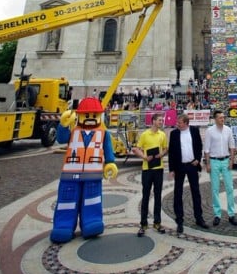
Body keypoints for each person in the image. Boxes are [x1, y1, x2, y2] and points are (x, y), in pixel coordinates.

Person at [50, 97, 118, 243]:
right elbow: (61, 139)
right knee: (67, 200)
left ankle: (91, 221)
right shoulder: (73, 131)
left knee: (92, 200)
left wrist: (110, 163)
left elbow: (108, 149)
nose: (90, 119)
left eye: (94, 115)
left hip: (92, 174)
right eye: (86, 115)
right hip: (70, 174)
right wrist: (62, 125)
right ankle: (63, 225)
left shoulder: (103, 133)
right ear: (79, 115)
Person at [168, 113, 209, 234]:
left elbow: (199, 146)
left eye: (179, 123)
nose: (177, 124)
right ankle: (179, 220)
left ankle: (199, 218)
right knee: (178, 193)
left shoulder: (194, 131)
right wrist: (171, 169)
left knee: (196, 192)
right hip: (179, 166)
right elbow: (171, 153)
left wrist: (198, 158)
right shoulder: (174, 133)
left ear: (186, 123)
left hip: (192, 165)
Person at [132, 113, 168, 237]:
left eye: (162, 120)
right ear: (153, 121)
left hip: (159, 168)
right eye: (159, 120)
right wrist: (144, 157)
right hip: (147, 169)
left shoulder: (162, 134)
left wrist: (161, 155)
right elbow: (136, 149)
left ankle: (157, 222)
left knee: (158, 196)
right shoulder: (145, 134)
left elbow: (165, 148)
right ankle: (143, 224)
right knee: (146, 195)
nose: (161, 122)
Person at [204, 110, 237, 227]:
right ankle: (217, 214)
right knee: (215, 189)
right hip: (214, 161)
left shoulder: (228, 130)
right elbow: (207, 149)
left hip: (226, 160)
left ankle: (231, 213)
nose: (222, 119)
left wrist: (232, 161)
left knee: (230, 187)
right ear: (215, 119)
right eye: (220, 118)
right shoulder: (209, 131)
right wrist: (207, 164)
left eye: (223, 117)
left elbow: (232, 146)